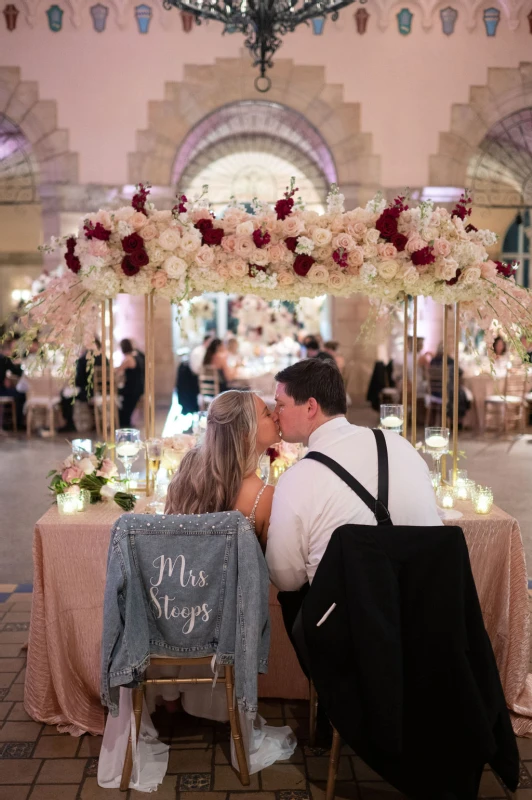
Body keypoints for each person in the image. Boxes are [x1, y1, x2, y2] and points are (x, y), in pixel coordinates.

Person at [266, 358, 442, 592]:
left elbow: (286, 578)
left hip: (349, 621)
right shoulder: (400, 445)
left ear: (310, 407)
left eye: (280, 405)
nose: (275, 415)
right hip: (427, 607)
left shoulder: (297, 478)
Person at [165, 390, 279, 550]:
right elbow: (271, 565)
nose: (275, 416)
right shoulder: (265, 497)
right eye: (267, 414)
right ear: (245, 433)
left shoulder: (190, 465)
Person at [116, 338, 145, 428]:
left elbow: (117, 370)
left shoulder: (128, 359)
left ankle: (124, 425)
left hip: (132, 389)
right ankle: (126, 423)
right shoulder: (137, 356)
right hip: (138, 387)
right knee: (125, 407)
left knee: (120, 399)